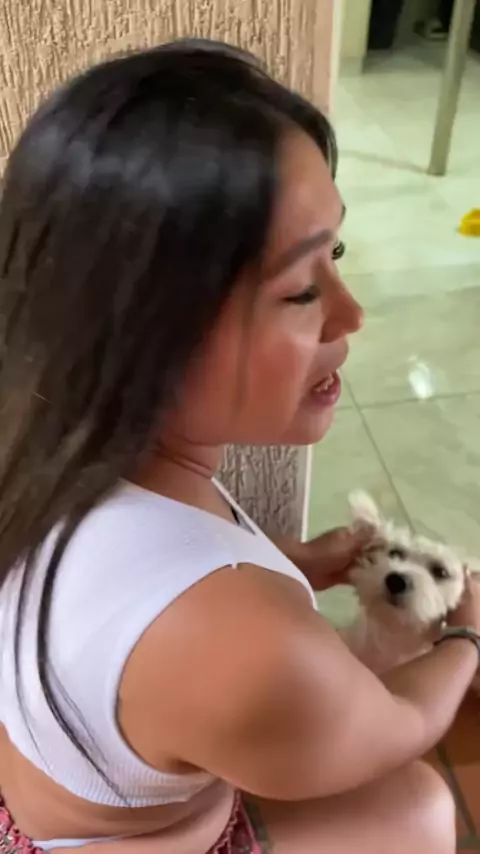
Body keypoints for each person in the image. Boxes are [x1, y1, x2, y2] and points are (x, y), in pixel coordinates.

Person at [0, 39, 478, 854]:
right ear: (147, 334)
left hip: (47, 796)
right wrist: (466, 634)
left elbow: (131, 602)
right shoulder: (245, 644)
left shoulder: (58, 448)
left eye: (336, 255)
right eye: (301, 288)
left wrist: (302, 562)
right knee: (423, 806)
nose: (349, 313)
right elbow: (397, 721)